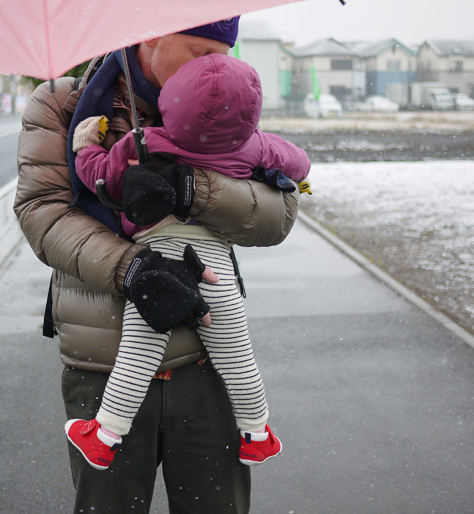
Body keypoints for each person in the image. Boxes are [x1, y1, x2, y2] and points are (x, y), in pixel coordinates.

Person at [14, 17, 300, 514]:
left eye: (221, 55)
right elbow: (42, 211)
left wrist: (194, 190)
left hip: (205, 362)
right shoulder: (60, 104)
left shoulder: (224, 104)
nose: (212, 67)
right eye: (196, 51)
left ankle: (258, 429)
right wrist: (133, 268)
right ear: (151, 33)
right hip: (104, 359)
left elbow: (277, 215)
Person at [66, 53, 310, 471]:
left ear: (172, 102)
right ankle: (257, 432)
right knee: (237, 353)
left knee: (137, 355)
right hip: (214, 257)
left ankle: (105, 436)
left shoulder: (147, 141)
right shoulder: (255, 144)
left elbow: (102, 178)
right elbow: (299, 163)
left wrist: (86, 147)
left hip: (158, 259)